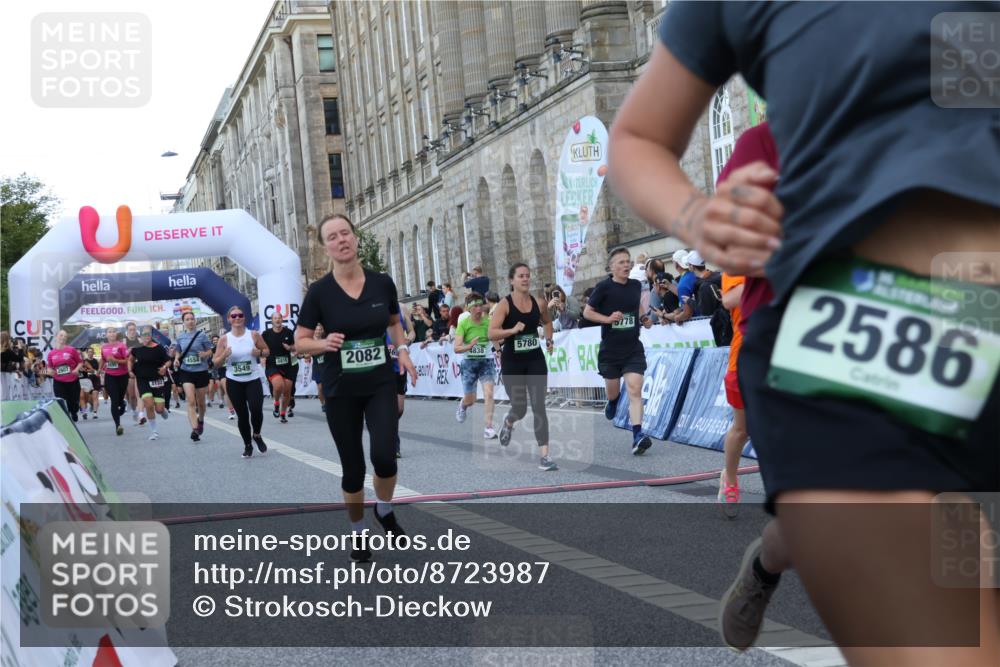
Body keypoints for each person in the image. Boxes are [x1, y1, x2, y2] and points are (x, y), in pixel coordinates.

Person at [609, 3, 999, 662]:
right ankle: (777, 547)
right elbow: (637, 137)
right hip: (849, 348)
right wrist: (700, 217)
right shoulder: (753, 120)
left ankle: (775, 550)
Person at [294, 213, 417, 563]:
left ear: (356, 237)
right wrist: (323, 343)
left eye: (345, 233)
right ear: (325, 248)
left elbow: (394, 322)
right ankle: (359, 531)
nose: (341, 240)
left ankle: (384, 508)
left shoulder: (381, 283)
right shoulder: (319, 293)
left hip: (379, 381)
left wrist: (403, 350)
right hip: (340, 388)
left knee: (384, 456)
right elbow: (300, 341)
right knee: (352, 469)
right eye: (332, 237)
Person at [583, 247, 654, 455]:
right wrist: (607, 319)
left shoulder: (635, 285)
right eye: (621, 262)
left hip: (632, 347)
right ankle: (613, 402)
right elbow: (588, 312)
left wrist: (643, 318)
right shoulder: (603, 287)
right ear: (612, 266)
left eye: (628, 261)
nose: (626, 265)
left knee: (634, 389)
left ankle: (638, 435)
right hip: (611, 351)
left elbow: (636, 306)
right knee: (614, 392)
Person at [488, 263, 557, 471]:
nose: (525, 279)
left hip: (535, 359)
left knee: (539, 406)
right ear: (512, 281)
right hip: (513, 362)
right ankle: (509, 421)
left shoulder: (539, 303)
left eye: (527, 276)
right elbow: (491, 333)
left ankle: (545, 456)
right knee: (520, 407)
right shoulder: (504, 305)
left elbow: (546, 322)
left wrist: (549, 339)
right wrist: (511, 330)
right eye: (520, 276)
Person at [212, 306, 269, 458]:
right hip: (234, 381)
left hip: (253, 379)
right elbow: (215, 363)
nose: (237, 318)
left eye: (240, 315)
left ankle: (256, 434)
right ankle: (247, 445)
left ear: (244, 318)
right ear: (229, 319)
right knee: (242, 415)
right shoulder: (225, 339)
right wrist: (224, 355)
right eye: (234, 316)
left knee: (256, 409)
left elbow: (267, 351)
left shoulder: (254, 335)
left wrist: (260, 353)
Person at [454, 292, 498, 440]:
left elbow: (494, 337)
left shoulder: (489, 321)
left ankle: (488, 427)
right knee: (471, 400)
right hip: (469, 364)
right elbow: (456, 348)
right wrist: (470, 346)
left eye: (481, 305)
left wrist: (498, 351)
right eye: (476, 307)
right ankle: (463, 405)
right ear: (469, 308)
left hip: (486, 362)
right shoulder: (463, 324)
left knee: (489, 393)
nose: (479, 309)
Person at [173, 312, 214, 442]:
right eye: (187, 319)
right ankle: (195, 429)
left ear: (195, 321)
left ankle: (200, 420)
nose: (190, 321)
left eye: (192, 319)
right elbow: (178, 351)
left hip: (201, 371)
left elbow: (210, 350)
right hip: (186, 371)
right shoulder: (180, 337)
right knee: (191, 400)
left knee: (201, 403)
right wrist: (176, 359)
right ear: (183, 322)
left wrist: (205, 354)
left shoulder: (202, 336)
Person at [128, 325, 171, 440]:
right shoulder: (136, 348)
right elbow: (130, 360)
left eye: (148, 334)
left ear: (151, 336)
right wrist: (130, 371)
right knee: (148, 404)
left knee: (159, 409)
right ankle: (154, 432)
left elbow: (168, 361)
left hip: (157, 380)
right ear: (140, 336)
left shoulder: (159, 348)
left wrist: (164, 368)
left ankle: (163, 410)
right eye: (144, 334)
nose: (146, 336)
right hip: (143, 380)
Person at [385, 308, 410, 458]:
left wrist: (407, 341)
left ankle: (385, 425)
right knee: (390, 409)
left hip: (399, 368)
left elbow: (411, 332)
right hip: (383, 368)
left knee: (399, 409)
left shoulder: (401, 312)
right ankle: (394, 445)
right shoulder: (373, 312)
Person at [263, 311, 296, 423]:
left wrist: (290, 348)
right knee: (278, 385)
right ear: (271, 321)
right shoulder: (266, 334)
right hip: (272, 365)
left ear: (282, 320)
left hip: (287, 365)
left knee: (287, 392)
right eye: (275, 318)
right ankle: (276, 402)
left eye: (279, 318)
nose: (277, 320)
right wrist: (262, 356)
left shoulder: (289, 332)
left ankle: (282, 414)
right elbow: (261, 348)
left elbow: (296, 347)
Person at [99, 326, 131, 436]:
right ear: (106, 335)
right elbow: (103, 359)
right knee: (114, 400)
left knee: (120, 398)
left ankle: (122, 403)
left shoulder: (121, 346)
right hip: (110, 376)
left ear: (116, 334)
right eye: (109, 332)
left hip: (122, 375)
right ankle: (118, 425)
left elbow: (127, 360)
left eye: (113, 332)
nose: (111, 334)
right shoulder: (104, 347)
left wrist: (115, 360)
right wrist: (99, 370)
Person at [46, 331, 83, 421]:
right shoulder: (51, 353)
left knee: (73, 401)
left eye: (65, 336)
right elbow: (50, 367)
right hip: (59, 381)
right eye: (61, 335)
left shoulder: (71, 350)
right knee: (60, 400)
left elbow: (80, 362)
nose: (63, 337)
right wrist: (50, 371)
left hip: (72, 380)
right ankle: (65, 418)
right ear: (56, 337)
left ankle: (74, 412)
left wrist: (76, 370)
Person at [122, 321, 143, 422]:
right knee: (132, 395)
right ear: (127, 331)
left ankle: (140, 414)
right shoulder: (124, 342)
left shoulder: (140, 340)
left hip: (140, 368)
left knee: (139, 394)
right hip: (128, 369)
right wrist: (129, 350)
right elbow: (122, 355)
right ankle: (134, 411)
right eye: (130, 330)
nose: (132, 332)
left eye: (134, 329)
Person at [78, 349, 100, 420]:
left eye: (79, 354)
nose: (78, 355)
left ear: (81, 355)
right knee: (81, 397)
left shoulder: (85, 362)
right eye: (76, 354)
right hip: (78, 381)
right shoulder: (73, 362)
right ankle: (84, 412)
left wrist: (85, 370)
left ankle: (90, 405)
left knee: (86, 398)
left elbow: (92, 370)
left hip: (86, 381)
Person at [311, 324, 327, 414]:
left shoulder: (325, 339)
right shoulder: (311, 341)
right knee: (320, 388)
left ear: (322, 331)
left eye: (320, 329)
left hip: (326, 367)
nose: (318, 331)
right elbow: (306, 354)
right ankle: (323, 403)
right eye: (316, 330)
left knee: (327, 386)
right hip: (317, 367)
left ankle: (329, 403)